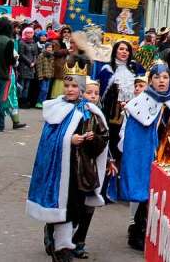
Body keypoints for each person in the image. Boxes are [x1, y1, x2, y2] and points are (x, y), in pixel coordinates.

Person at [27, 70, 110, 262]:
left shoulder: (90, 112)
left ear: (81, 89)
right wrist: (68, 140)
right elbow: (47, 142)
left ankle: (58, 239)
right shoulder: (56, 109)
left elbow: (103, 140)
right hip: (58, 171)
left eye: (74, 86)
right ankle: (62, 250)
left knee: (76, 210)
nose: (70, 89)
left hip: (81, 171)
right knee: (63, 208)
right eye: (67, 86)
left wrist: (92, 139)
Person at [109, 64, 170, 251]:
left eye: (165, 77)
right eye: (157, 77)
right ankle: (138, 230)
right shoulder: (140, 103)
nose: (161, 81)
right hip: (148, 155)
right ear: (150, 81)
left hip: (169, 157)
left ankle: (160, 231)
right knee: (145, 192)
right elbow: (135, 137)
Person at [70, 79, 104, 260]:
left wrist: (96, 139)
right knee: (72, 206)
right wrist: (74, 139)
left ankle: (79, 241)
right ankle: (55, 233)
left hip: (90, 169)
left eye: (96, 93)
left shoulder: (98, 115)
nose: (93, 96)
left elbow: (105, 139)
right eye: (89, 92)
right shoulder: (73, 112)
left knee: (89, 206)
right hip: (73, 167)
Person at [17, 26, 38, 108]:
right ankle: (19, 100)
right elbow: (21, 54)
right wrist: (30, 63)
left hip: (31, 67)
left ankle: (24, 100)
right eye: (27, 33)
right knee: (21, 85)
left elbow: (36, 54)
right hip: (23, 66)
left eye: (31, 33)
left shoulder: (34, 43)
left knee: (27, 86)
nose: (29, 34)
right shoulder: (22, 42)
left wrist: (34, 62)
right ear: (24, 33)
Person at [36, 40, 57, 108]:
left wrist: (52, 74)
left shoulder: (52, 56)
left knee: (46, 90)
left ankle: (43, 102)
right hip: (43, 75)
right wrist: (40, 76)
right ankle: (39, 102)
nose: (50, 48)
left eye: (51, 47)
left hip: (49, 76)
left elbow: (52, 66)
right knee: (43, 89)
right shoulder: (41, 55)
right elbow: (39, 66)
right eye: (48, 47)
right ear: (45, 48)